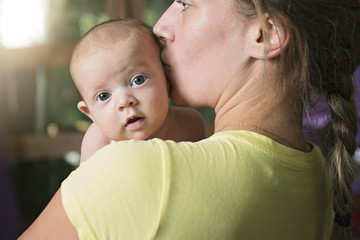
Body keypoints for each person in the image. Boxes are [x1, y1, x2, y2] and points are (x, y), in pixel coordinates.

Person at [19, 0, 360, 239]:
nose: (160, 26)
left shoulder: (138, 173)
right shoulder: (320, 180)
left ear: (265, 34)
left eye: (185, 3)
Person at [70, 18, 205, 162]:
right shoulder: (99, 142)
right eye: (103, 96)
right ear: (90, 112)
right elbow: (87, 184)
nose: (124, 101)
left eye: (138, 80)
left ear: (167, 79)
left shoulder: (189, 125)